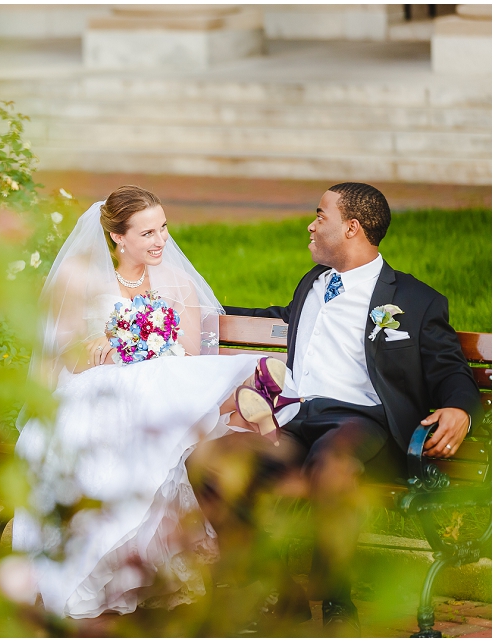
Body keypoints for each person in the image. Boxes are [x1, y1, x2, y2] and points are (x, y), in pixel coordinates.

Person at [186, 182, 480, 635]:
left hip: (363, 423)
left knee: (332, 466)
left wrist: (459, 408)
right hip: (297, 419)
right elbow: (280, 317)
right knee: (210, 462)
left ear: (352, 228)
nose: (311, 223)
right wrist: (191, 313)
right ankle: (284, 591)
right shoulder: (314, 284)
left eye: (320, 215)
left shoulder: (415, 301)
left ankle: (339, 601)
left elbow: (450, 369)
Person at [12, 186, 273, 619]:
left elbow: (193, 357)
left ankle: (252, 388)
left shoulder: (177, 282)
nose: (161, 241)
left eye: (164, 228)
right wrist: (112, 345)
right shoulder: (79, 279)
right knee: (115, 411)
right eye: (147, 233)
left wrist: (138, 342)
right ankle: (97, 565)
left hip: (161, 384)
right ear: (117, 237)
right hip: (94, 389)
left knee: (158, 384)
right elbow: (67, 359)